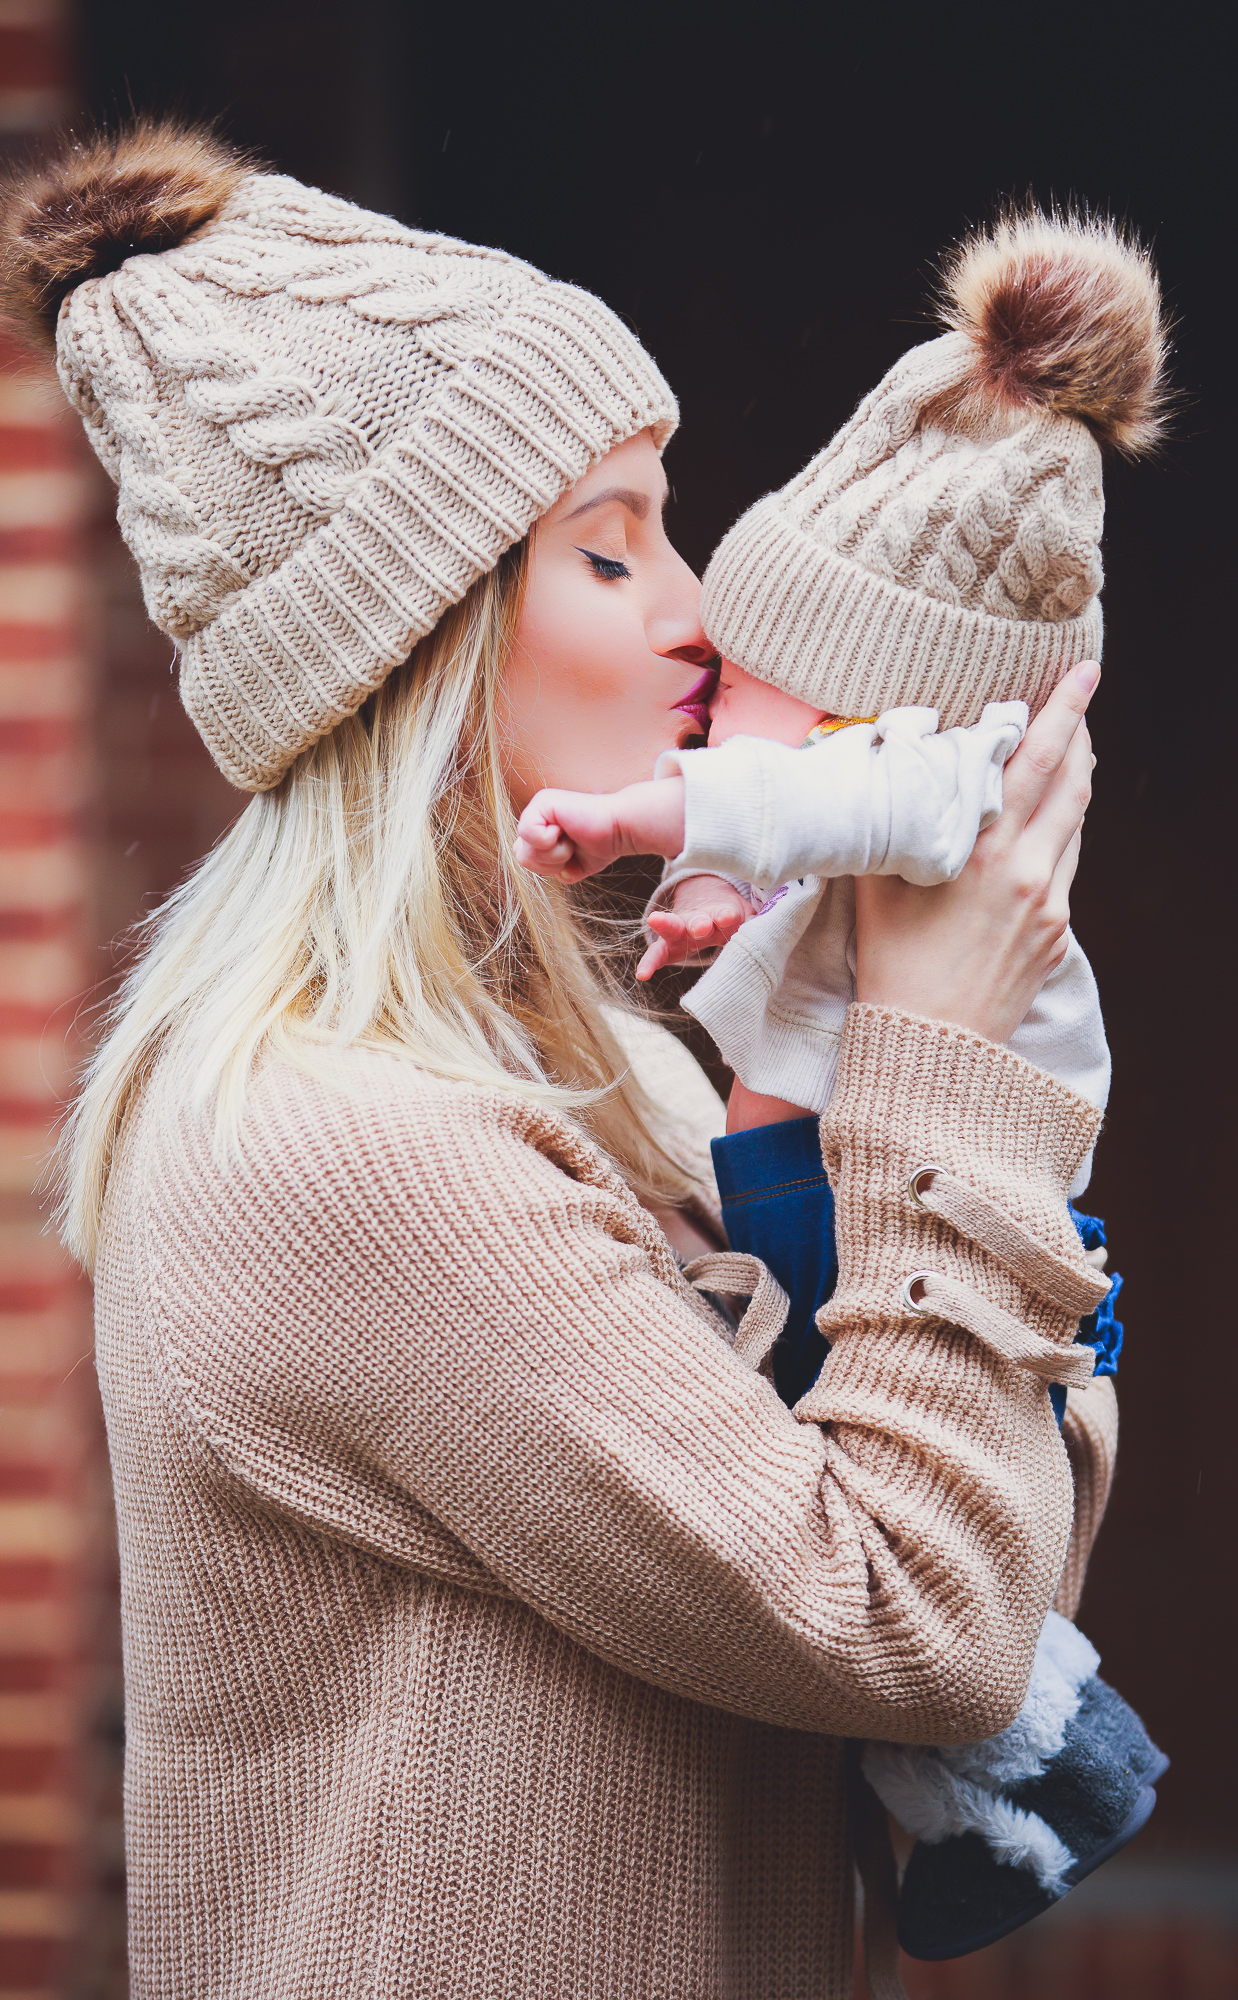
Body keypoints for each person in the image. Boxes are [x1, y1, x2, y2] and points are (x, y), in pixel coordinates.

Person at [1, 123, 1109, 1999]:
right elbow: (920, 1630)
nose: (692, 613)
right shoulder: (337, 1152)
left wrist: (897, 1070)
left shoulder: (637, 1095)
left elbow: (1000, 1564)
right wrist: (937, 1054)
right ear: (415, 652)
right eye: (610, 549)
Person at [514, 211, 1168, 1958]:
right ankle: (1021, 1778)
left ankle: (1032, 1777)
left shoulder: (927, 782)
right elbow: (784, 864)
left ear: (879, 703)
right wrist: (711, 897)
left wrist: (650, 819)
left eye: (738, 687)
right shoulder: (851, 818)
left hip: (856, 1177)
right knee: (860, 1507)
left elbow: (814, 813)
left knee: (886, 1536)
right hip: (819, 1175)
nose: (696, 695)